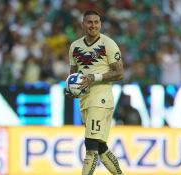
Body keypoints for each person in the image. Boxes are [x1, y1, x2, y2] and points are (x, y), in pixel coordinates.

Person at [66, 10, 124, 175]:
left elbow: (119, 73)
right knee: (100, 147)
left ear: (100, 24)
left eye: (96, 22)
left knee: (90, 147)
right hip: (85, 100)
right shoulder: (75, 46)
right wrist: (70, 89)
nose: (93, 25)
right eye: (89, 22)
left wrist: (94, 77)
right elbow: (73, 74)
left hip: (101, 98)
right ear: (83, 24)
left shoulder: (108, 44)